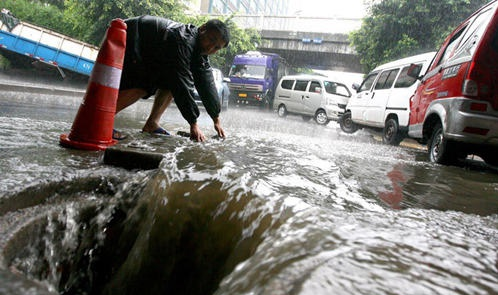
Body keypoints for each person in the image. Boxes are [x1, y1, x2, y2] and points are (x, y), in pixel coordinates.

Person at [113, 15, 230, 142]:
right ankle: (100, 121)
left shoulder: (199, 52)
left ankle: (152, 123)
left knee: (169, 83)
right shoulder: (184, 41)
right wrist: (193, 124)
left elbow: (207, 84)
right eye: (211, 40)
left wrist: (216, 119)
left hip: (143, 47)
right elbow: (182, 83)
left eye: (217, 47)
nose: (210, 48)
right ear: (202, 29)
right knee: (143, 85)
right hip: (128, 35)